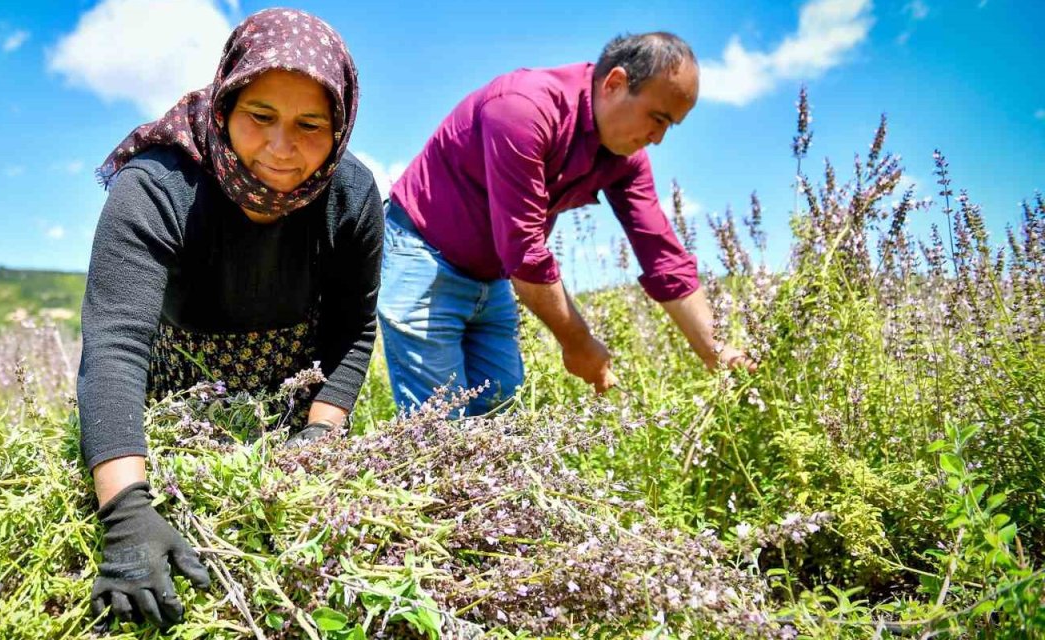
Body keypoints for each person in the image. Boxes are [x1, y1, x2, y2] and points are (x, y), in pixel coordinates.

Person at [76, 8, 381, 628]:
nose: (281, 147)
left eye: (310, 125)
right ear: (224, 107)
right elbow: (115, 344)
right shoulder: (157, 188)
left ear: (341, 125)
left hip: (286, 414)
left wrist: (321, 434)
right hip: (171, 413)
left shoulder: (350, 196)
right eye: (260, 117)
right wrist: (127, 510)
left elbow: (354, 325)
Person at [379, 32, 755, 416]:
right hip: (423, 255)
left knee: (498, 417)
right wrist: (578, 342)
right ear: (615, 84)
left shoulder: (627, 158)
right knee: (439, 425)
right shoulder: (523, 108)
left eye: (669, 126)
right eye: (657, 118)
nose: (657, 138)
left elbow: (663, 257)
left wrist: (716, 350)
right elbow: (525, 251)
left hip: (492, 278)